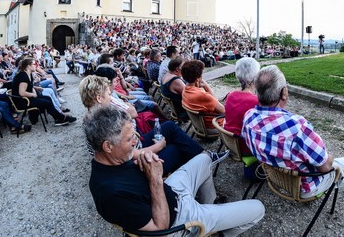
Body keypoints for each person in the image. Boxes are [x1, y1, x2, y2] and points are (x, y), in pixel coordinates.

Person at [86, 106, 264, 236]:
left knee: (204, 159)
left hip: (171, 191)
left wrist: (146, 164)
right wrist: (155, 178)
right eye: (130, 139)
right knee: (258, 208)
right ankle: (217, 229)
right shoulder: (111, 193)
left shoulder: (112, 161)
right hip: (178, 219)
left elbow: (136, 183)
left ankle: (209, 206)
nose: (136, 142)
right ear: (108, 146)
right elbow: (161, 228)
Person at [243, 65, 344, 199]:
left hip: (276, 179)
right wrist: (330, 156)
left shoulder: (248, 117)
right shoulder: (296, 127)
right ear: (284, 93)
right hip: (305, 188)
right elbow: (326, 167)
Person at [79, 75, 208, 174]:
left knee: (169, 127)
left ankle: (202, 160)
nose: (111, 97)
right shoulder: (104, 123)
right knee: (177, 148)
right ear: (98, 98)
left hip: (133, 150)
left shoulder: (93, 118)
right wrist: (158, 146)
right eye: (108, 94)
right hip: (133, 164)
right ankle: (202, 164)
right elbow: (131, 154)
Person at [12, 57, 76, 126]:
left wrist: (35, 89)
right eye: (34, 64)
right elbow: (22, 92)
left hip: (27, 98)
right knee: (46, 102)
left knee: (48, 98)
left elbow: (29, 86)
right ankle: (61, 118)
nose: (36, 65)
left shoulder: (28, 74)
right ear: (28, 66)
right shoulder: (23, 76)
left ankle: (58, 117)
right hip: (22, 101)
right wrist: (33, 94)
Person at [223, 57, 259, 154]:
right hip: (246, 147)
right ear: (255, 77)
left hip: (230, 142)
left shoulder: (230, 96)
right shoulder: (256, 102)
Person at [181, 60, 224, 130]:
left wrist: (204, 86)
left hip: (199, 126)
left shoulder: (185, 90)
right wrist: (207, 86)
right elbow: (223, 111)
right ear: (198, 78)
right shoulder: (202, 95)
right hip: (213, 127)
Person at [160, 56, 186, 121]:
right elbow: (190, 96)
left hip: (175, 109)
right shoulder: (175, 81)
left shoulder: (166, 75)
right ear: (177, 69)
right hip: (184, 112)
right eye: (183, 67)